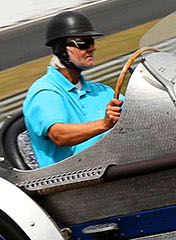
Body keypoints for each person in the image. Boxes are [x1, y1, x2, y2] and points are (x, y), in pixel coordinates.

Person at [23, 11, 121, 167]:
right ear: (62, 49)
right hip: (72, 177)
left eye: (92, 42)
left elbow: (139, 111)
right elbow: (59, 135)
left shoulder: (103, 91)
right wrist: (104, 124)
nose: (92, 48)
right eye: (83, 43)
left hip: (115, 167)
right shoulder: (44, 92)